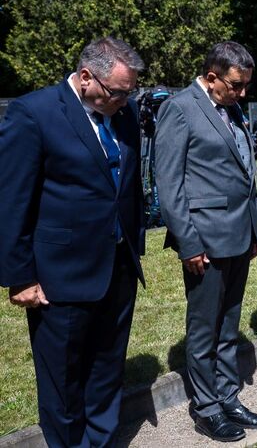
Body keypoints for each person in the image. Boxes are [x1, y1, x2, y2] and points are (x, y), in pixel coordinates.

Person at [0, 37, 146, 446]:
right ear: (86, 77)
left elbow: (128, 187)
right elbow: (12, 200)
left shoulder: (124, 112)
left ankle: (100, 441)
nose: (124, 100)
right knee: (64, 380)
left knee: (106, 367)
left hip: (117, 266)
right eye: (117, 91)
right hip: (60, 275)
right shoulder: (34, 113)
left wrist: (134, 247)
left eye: (128, 92)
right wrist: (20, 276)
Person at [155, 41, 257, 442]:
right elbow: (169, 186)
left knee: (229, 325)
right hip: (204, 240)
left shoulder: (232, 108)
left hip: (239, 235)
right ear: (212, 76)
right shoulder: (180, 108)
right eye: (236, 85)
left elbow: (244, 172)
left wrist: (255, 230)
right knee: (204, 330)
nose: (242, 94)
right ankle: (206, 408)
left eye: (245, 86)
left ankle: (227, 395)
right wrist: (189, 243)